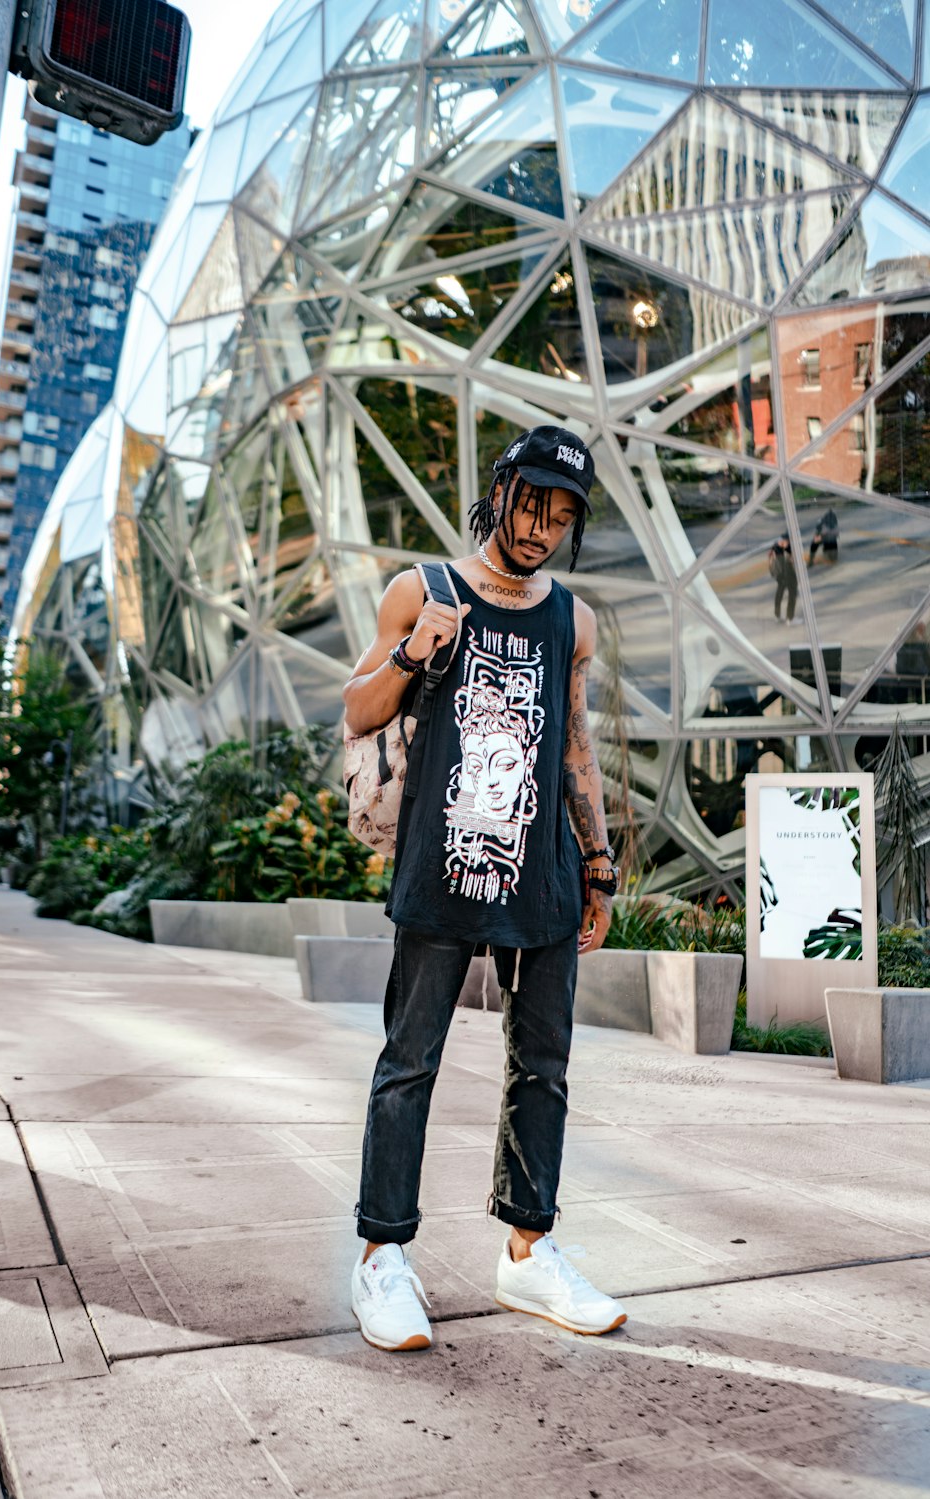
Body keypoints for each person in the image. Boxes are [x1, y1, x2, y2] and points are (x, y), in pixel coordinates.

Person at [342, 425, 626, 1352]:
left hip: (540, 872)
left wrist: (597, 859)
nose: (541, 527)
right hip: (442, 859)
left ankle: (528, 1251)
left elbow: (576, 746)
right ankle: (382, 1259)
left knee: (542, 1066)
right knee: (409, 1062)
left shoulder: (571, 620)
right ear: (498, 489)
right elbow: (358, 709)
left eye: (561, 514)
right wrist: (416, 650)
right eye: (530, 502)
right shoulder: (421, 589)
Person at [768, 532, 797, 625]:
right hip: (788, 574)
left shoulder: (774, 547)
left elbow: (770, 561)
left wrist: (773, 572)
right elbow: (791, 560)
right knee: (792, 594)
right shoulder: (787, 548)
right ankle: (789, 618)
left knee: (779, 594)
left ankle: (777, 615)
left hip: (779, 575)